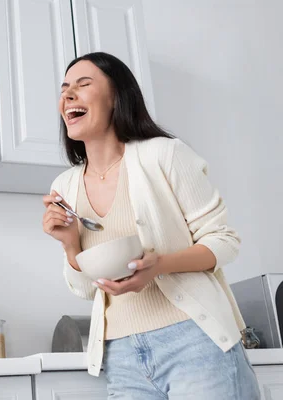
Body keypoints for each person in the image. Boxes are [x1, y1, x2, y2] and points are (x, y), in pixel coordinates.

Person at [42, 52, 259, 399]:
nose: (68, 96)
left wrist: (160, 266)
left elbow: (224, 240)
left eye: (83, 86)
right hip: (122, 356)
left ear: (116, 97)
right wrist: (71, 245)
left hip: (194, 341)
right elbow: (85, 289)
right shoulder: (65, 187)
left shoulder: (164, 155)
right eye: (65, 88)